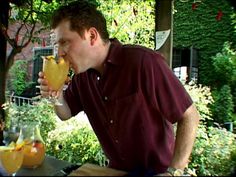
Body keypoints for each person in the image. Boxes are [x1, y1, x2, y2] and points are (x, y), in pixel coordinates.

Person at [38, 0, 200, 176]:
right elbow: (65, 114)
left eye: (65, 42)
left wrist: (173, 172)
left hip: (157, 172)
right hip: (115, 171)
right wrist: (56, 95)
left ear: (92, 36)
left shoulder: (143, 62)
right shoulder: (81, 77)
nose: (59, 53)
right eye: (57, 45)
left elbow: (190, 116)